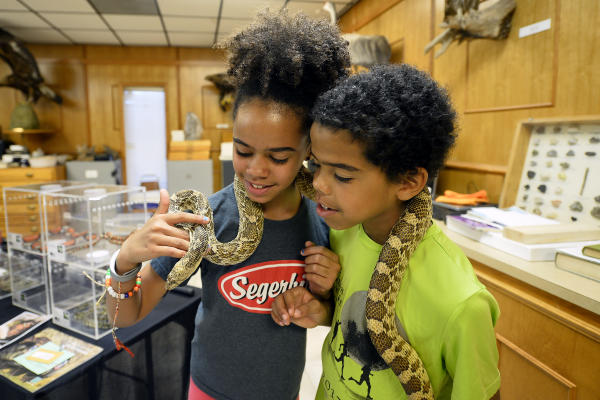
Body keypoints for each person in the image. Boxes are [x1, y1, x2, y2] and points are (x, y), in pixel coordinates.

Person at [106, 10, 350, 400]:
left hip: (282, 390)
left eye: (279, 157)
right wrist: (126, 260)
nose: (256, 170)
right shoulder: (206, 218)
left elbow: (334, 315)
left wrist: (321, 300)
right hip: (210, 389)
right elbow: (125, 316)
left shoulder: (325, 218)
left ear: (309, 148)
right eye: (243, 150)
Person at [271, 64, 501, 399]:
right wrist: (319, 309)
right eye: (315, 165)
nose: (317, 184)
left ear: (409, 182)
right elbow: (345, 321)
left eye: (343, 175)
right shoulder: (341, 232)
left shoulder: (462, 304)